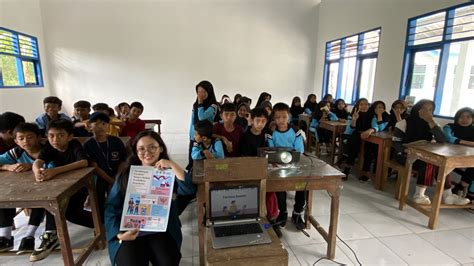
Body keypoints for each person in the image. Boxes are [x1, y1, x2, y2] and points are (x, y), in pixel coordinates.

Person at [105, 131, 194, 266]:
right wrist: (119, 234)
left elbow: (188, 189)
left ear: (161, 148)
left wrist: (172, 165)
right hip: (130, 231)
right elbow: (111, 207)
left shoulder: (167, 173)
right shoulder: (127, 174)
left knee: (168, 261)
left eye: (152, 147)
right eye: (141, 148)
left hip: (161, 229)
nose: (147, 152)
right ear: (136, 151)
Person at [30, 119, 94, 262]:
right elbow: (38, 161)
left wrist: (55, 171)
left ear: (69, 137)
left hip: (81, 184)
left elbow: (83, 162)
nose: (55, 139)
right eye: (51, 135)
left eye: (60, 135)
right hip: (60, 185)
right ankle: (51, 234)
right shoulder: (49, 147)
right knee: (51, 201)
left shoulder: (74, 145)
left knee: (71, 213)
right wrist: (37, 171)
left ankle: (101, 225)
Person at [392, 100, 469, 205]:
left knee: (440, 163)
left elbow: (442, 140)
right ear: (417, 109)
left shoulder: (432, 124)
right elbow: (396, 144)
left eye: (430, 110)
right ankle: (419, 194)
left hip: (423, 155)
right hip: (404, 155)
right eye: (424, 108)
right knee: (429, 160)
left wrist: (430, 121)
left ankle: (448, 196)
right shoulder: (403, 123)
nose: (427, 112)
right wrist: (407, 150)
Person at [0, 123, 49, 254]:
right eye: (21, 138)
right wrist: (7, 167)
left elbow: (52, 167)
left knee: (40, 201)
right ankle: (5, 237)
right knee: (5, 198)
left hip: (45, 187)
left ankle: (29, 236)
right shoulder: (16, 152)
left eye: (30, 137)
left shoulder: (48, 150)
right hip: (21, 187)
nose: (25, 141)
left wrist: (31, 165)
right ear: (15, 141)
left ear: (38, 137)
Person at [267, 103, 306, 231]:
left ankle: (297, 212)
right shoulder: (271, 133)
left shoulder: (296, 131)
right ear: (274, 118)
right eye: (277, 117)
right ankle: (282, 212)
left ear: (288, 116)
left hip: (294, 164)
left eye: (284, 117)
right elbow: (271, 150)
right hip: (277, 166)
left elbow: (299, 150)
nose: (281, 120)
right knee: (279, 186)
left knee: (304, 184)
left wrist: (288, 158)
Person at [84, 112, 127, 220]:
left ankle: (122, 215)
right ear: (90, 126)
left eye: (104, 123)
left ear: (108, 126)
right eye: (97, 123)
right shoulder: (88, 144)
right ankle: (102, 219)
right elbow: (94, 167)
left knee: (124, 188)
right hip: (100, 175)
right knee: (99, 190)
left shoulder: (115, 141)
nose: (101, 127)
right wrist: (111, 181)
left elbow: (122, 161)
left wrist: (116, 178)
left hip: (117, 173)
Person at [443, 107, 474, 201]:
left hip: (468, 159)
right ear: (456, 118)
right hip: (450, 157)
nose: (465, 119)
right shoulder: (449, 127)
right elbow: (449, 138)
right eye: (461, 117)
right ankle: (463, 189)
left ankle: (465, 189)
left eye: (468, 117)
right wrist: (469, 143)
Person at [187, 80, 218, 170]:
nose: (200, 94)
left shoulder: (213, 106)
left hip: (205, 136)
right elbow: (193, 121)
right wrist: (191, 135)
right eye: (199, 91)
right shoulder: (195, 104)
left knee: (203, 158)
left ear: (209, 91)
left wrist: (200, 102)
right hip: (195, 135)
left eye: (203, 91)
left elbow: (201, 117)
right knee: (193, 158)